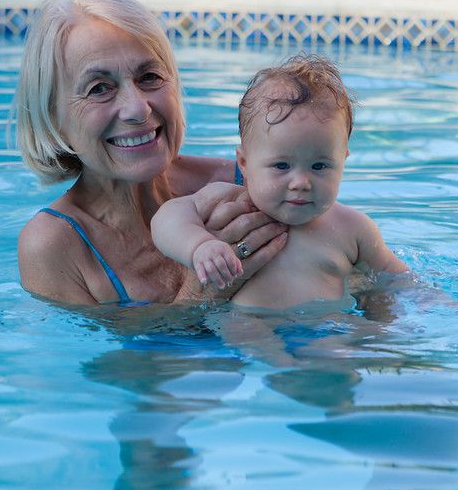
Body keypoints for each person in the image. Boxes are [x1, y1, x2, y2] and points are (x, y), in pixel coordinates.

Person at [15, 0, 287, 305]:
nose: (138, 109)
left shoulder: (246, 182)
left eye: (149, 77)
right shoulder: (56, 246)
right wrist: (197, 296)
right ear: (53, 117)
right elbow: (108, 356)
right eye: (99, 88)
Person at [151, 55, 408, 310]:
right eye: (281, 166)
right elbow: (166, 219)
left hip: (329, 328)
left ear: (343, 160)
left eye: (320, 166)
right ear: (244, 163)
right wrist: (199, 246)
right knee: (239, 329)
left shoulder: (353, 228)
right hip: (250, 329)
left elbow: (397, 279)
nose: (301, 183)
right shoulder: (228, 201)